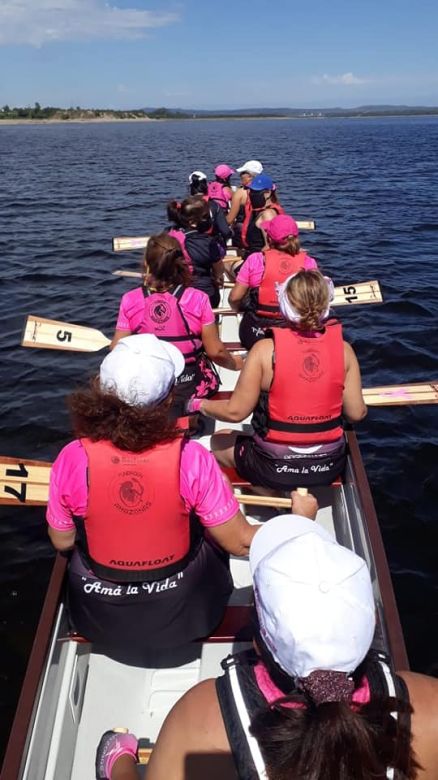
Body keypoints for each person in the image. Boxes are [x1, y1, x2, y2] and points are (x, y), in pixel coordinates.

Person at [95, 493, 438, 779]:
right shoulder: (429, 706)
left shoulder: (202, 723)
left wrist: (120, 761)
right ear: (372, 621)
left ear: (258, 634)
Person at [47, 334, 258, 666]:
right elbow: (241, 544)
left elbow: (62, 539)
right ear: (170, 397)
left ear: (101, 390)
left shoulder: (71, 458)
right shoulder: (193, 459)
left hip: (100, 618)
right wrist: (298, 524)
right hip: (189, 614)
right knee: (214, 529)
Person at [187, 270, 367, 490]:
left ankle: (270, 495)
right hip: (328, 466)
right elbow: (356, 413)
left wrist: (198, 404)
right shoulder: (344, 351)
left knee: (219, 439)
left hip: (271, 467)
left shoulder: (264, 350)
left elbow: (236, 412)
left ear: (285, 305)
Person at [111, 233, 242, 417]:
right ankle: (193, 421)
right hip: (189, 383)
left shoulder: (130, 299)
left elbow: (117, 348)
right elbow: (216, 352)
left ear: (147, 264)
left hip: (148, 382)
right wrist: (236, 364)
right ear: (180, 263)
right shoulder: (198, 299)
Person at [229, 214, 319, 350]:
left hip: (256, 332)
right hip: (293, 331)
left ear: (269, 239)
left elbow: (234, 298)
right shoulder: (309, 263)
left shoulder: (256, 260)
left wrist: (237, 309)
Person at [167, 196, 227, 307]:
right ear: (192, 222)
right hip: (204, 293)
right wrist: (218, 278)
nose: (209, 219)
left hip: (176, 292)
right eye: (205, 217)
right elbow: (219, 270)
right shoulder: (209, 243)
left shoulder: (169, 236)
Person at [240, 173, 284, 257]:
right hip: (251, 254)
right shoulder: (258, 212)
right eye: (251, 191)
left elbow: (269, 246)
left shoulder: (267, 215)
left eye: (255, 192)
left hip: (258, 260)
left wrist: (254, 261)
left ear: (268, 193)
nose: (251, 194)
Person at [187, 171, 232, 245]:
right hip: (211, 247)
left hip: (190, 246)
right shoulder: (214, 206)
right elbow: (225, 231)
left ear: (191, 187)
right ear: (206, 186)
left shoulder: (185, 205)